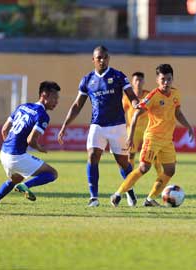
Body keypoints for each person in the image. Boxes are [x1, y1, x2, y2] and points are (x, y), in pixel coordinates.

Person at [57, 45, 139, 207]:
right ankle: (93, 198)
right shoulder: (87, 80)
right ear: (93, 60)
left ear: (108, 58)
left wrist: (137, 105)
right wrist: (65, 125)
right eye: (99, 58)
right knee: (93, 156)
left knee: (123, 162)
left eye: (105, 57)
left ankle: (129, 192)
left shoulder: (118, 76)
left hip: (117, 126)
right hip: (97, 125)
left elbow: (132, 96)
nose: (102, 60)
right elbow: (77, 105)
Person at [110, 64, 195, 207]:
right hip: (153, 138)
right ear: (157, 80)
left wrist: (188, 126)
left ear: (172, 79)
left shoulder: (175, 94)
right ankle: (118, 194)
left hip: (167, 140)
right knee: (144, 168)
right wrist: (130, 136)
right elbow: (136, 113)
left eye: (169, 79)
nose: (166, 83)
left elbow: (178, 113)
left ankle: (150, 199)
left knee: (170, 170)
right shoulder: (153, 96)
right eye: (163, 79)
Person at [0, 81, 60, 210]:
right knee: (52, 173)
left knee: (15, 179)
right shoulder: (42, 115)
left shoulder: (22, 106)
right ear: (44, 95)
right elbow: (31, 140)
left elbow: (4, 130)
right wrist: (40, 148)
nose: (56, 102)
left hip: (3, 153)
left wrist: (10, 147)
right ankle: (26, 186)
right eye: (54, 98)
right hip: (16, 156)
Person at [122, 72, 163, 177]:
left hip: (147, 130)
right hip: (133, 130)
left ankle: (161, 177)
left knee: (153, 155)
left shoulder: (148, 95)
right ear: (132, 82)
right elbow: (121, 112)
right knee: (130, 155)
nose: (138, 82)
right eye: (136, 80)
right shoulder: (127, 97)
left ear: (144, 82)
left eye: (140, 80)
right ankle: (129, 178)